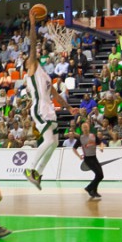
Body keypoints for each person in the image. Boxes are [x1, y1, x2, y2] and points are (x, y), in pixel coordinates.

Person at [23, 10, 78, 190]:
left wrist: (69, 108)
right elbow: (33, 45)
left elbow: (55, 95)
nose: (31, 58)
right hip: (39, 108)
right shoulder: (32, 68)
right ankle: (29, 168)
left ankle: (38, 172)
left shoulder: (45, 76)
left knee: (54, 143)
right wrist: (32, 24)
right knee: (48, 141)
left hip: (49, 108)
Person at [73, 122, 104, 199]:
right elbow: (74, 148)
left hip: (94, 157)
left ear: (89, 128)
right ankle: (89, 188)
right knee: (99, 175)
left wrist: (101, 147)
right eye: (84, 127)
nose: (85, 128)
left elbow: (101, 143)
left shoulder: (93, 136)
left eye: (86, 127)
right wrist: (79, 156)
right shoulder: (81, 138)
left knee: (100, 175)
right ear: (82, 129)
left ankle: (94, 191)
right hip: (88, 159)